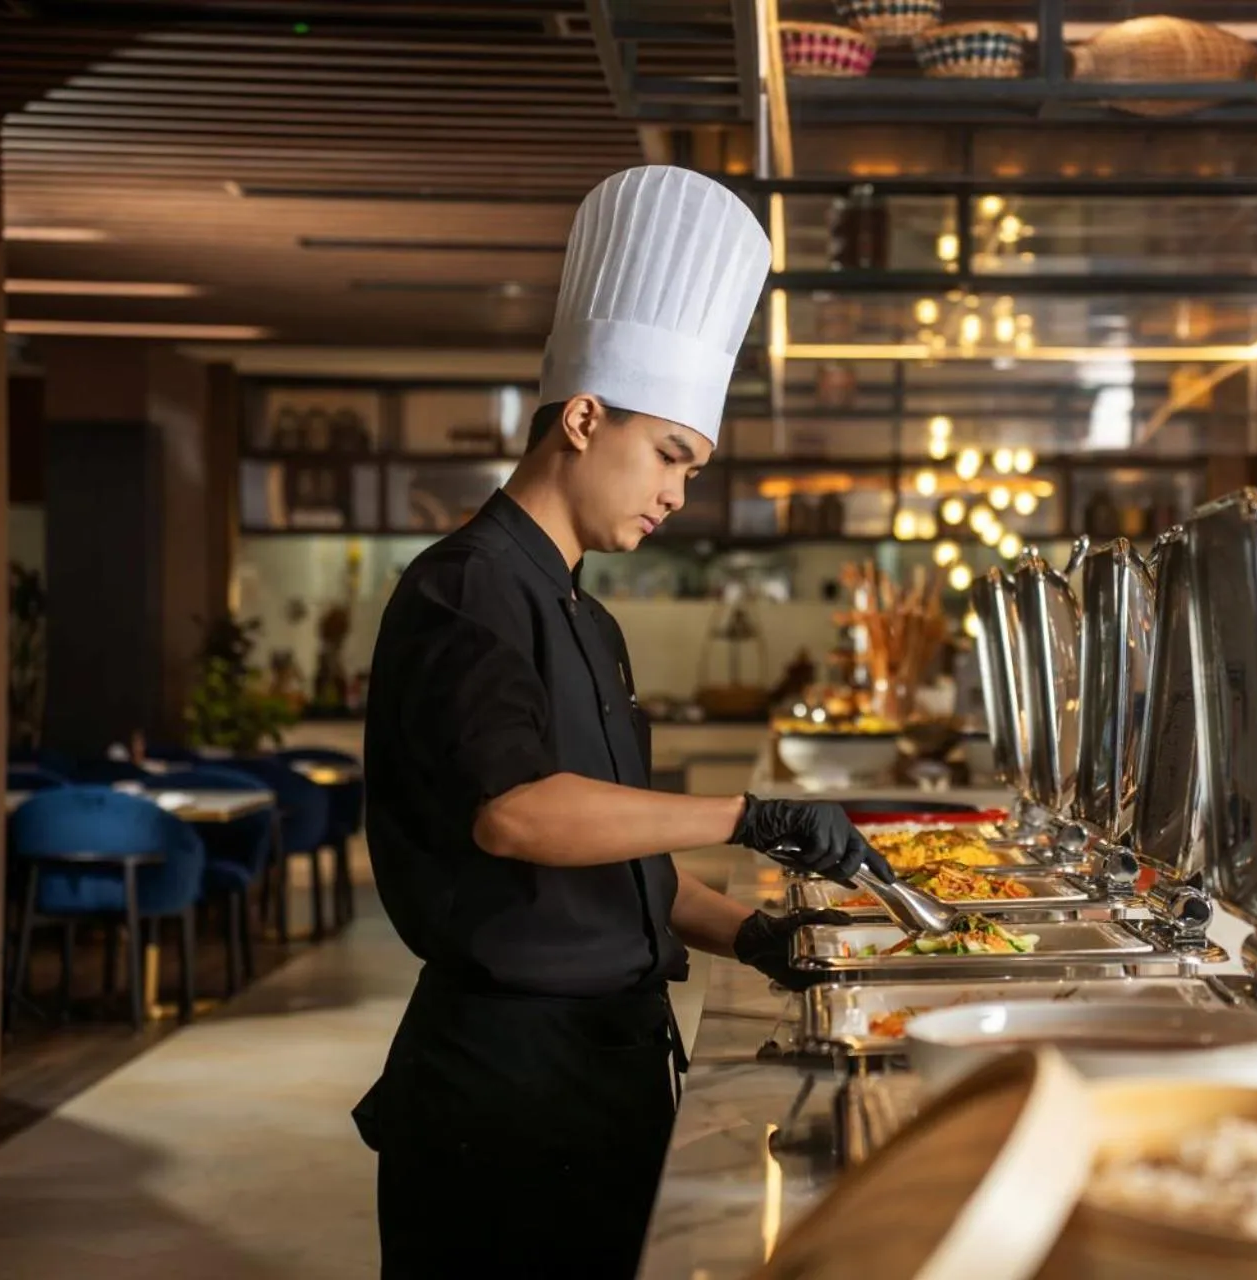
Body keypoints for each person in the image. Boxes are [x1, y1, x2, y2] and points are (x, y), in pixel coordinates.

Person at [352, 166, 894, 1280]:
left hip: (607, 1070)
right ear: (585, 416)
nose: (679, 494)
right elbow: (519, 817)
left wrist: (758, 936)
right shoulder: (466, 588)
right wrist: (748, 814)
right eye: (669, 456)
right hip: (504, 1092)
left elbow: (615, 862)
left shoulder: (587, 616)